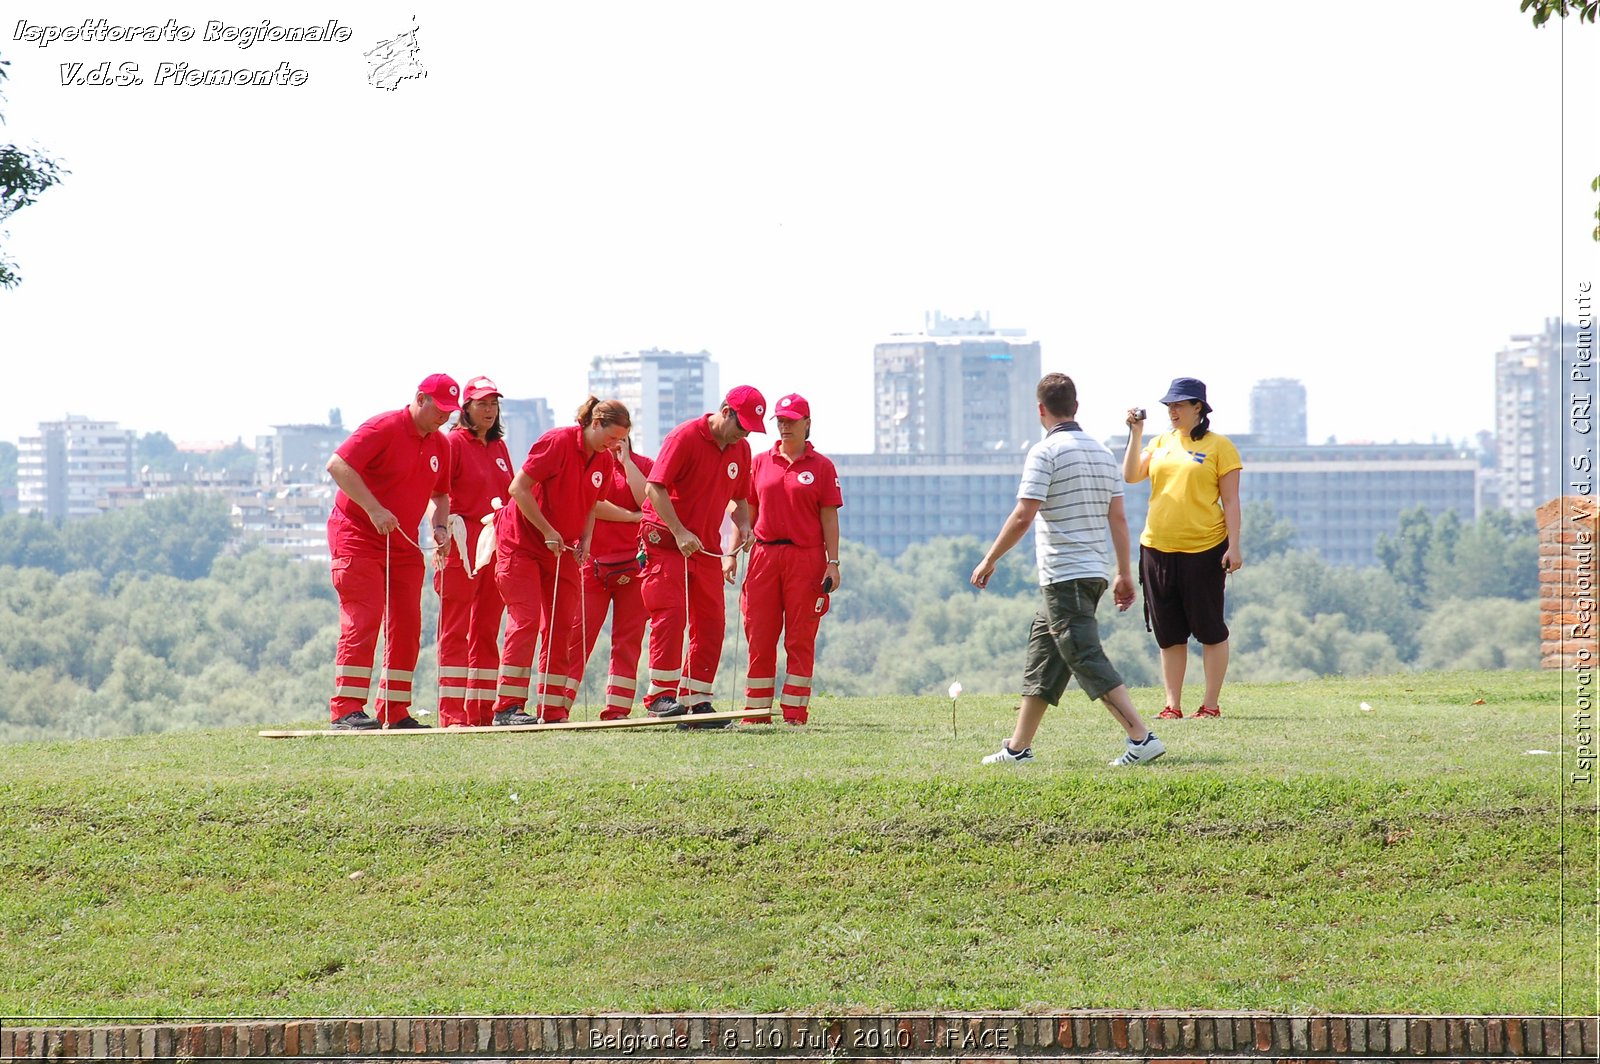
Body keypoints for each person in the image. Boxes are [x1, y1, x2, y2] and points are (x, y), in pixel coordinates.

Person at [971, 373, 1166, 767]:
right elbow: (1119, 519)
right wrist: (1123, 573)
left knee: (1083, 655)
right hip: (1092, 572)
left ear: (1040, 410)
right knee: (1045, 653)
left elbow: (1025, 515)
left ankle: (1142, 739)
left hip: (1065, 574)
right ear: (1075, 407)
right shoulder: (1100, 452)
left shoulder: (1045, 452)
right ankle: (1018, 749)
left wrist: (990, 559)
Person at [324, 374, 458, 731]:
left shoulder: (440, 445)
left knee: (407, 624)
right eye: (440, 409)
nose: (444, 417)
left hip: (402, 543)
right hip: (357, 535)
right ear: (420, 398)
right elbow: (338, 465)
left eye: (450, 412)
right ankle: (346, 709)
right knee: (363, 618)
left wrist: (440, 527)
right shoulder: (383, 427)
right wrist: (373, 509)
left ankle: (394, 709)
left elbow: (441, 495)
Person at [492, 397, 629, 725]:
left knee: (561, 626)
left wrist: (585, 539)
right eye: (611, 437)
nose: (614, 445)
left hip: (562, 550)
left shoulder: (604, 461)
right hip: (521, 544)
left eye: (620, 440)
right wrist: (548, 530)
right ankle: (507, 707)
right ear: (594, 423)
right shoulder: (558, 441)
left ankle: (552, 708)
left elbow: (592, 505)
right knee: (525, 621)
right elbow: (518, 488)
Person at [639, 385, 766, 726]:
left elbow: (739, 502)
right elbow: (655, 487)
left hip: (705, 548)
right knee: (671, 615)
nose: (744, 435)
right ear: (726, 410)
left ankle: (697, 701)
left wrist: (745, 527)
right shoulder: (684, 437)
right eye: (741, 426)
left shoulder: (741, 449)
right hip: (666, 541)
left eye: (750, 431)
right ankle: (661, 697)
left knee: (712, 622)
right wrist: (679, 532)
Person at [1122, 376, 1243, 720]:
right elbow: (1131, 475)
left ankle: (1210, 705)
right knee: (1169, 631)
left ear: (1198, 408)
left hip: (1204, 548)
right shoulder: (1160, 442)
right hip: (1157, 548)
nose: (1172, 411)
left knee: (1209, 628)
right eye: (1169, 405)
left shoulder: (1221, 447)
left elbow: (1231, 501)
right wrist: (1135, 434)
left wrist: (1234, 546)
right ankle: (1172, 705)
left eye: (1179, 405)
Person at [735, 393, 843, 725]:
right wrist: (732, 550)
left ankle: (795, 711)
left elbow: (829, 518)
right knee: (760, 632)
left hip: (805, 558)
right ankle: (756, 711)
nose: (784, 427)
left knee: (799, 636)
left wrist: (833, 562)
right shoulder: (760, 461)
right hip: (764, 555)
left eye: (791, 421)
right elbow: (746, 509)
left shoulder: (822, 466)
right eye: (780, 421)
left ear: (807, 423)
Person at [428, 375, 513, 727]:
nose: (489, 410)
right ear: (466, 408)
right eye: (482, 403)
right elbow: (434, 495)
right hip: (461, 542)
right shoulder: (452, 443)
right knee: (455, 628)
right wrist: (440, 533)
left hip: (495, 545)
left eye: (493, 403)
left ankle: (480, 711)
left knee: (487, 628)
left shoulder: (499, 447)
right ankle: (452, 714)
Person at [564, 433, 654, 720]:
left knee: (628, 641)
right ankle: (557, 705)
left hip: (633, 567)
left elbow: (648, 503)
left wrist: (627, 463)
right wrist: (630, 516)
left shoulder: (644, 465)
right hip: (593, 566)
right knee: (575, 637)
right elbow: (590, 505)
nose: (615, 441)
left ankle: (617, 709)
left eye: (620, 434)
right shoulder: (588, 464)